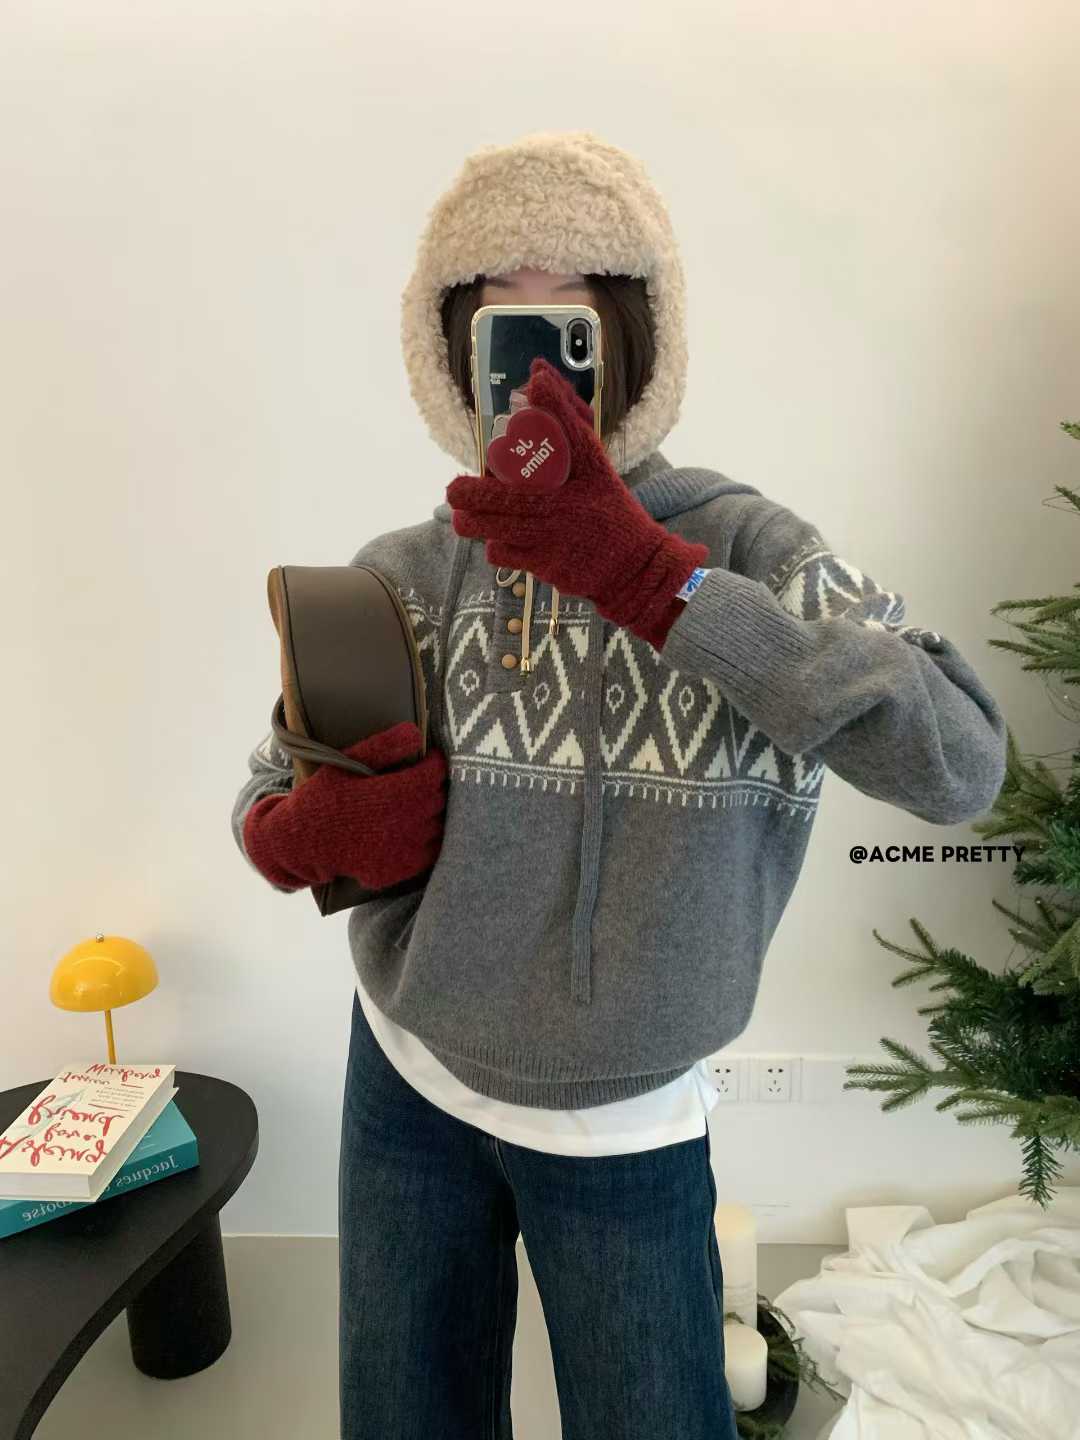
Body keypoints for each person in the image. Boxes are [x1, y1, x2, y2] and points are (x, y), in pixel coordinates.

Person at [230, 130, 1008, 1440]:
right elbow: (269, 789)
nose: (538, 374)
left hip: (625, 1124)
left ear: (638, 342)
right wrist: (303, 830)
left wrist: (660, 582)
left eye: (574, 324)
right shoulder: (407, 569)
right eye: (502, 325)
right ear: (453, 354)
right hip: (407, 1082)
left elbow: (960, 761)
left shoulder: (743, 545)